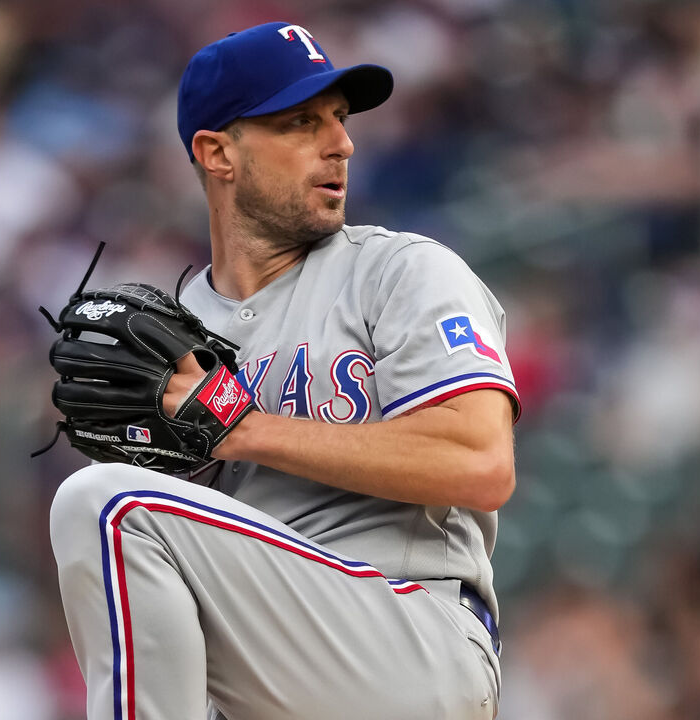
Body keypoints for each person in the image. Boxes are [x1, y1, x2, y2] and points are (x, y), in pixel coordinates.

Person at [49, 21, 519, 720]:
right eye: (301, 123)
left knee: (106, 504)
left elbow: (481, 464)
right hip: (267, 678)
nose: (341, 143)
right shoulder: (175, 338)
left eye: (338, 118)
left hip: (411, 639)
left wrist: (243, 427)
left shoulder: (400, 272)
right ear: (217, 153)